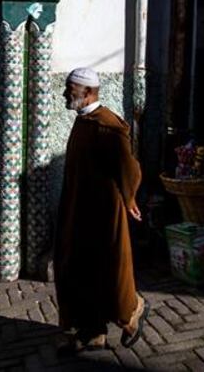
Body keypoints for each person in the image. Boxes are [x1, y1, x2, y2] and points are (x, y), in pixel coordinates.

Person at [54, 67, 149, 352]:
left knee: (109, 268)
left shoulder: (108, 125)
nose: (64, 94)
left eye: (70, 90)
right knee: (78, 268)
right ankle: (91, 331)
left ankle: (132, 311)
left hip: (104, 214)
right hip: (78, 212)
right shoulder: (84, 120)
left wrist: (129, 199)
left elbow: (129, 168)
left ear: (88, 92)